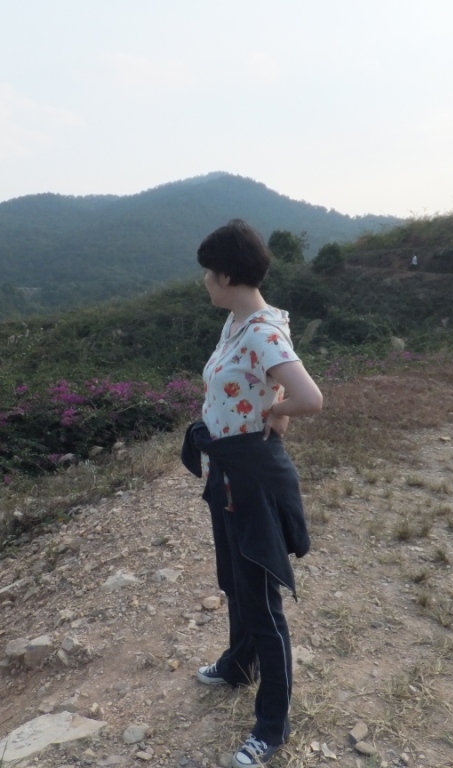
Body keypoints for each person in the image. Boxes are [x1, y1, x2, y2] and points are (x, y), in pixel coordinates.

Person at [180, 219, 323, 768]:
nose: (204, 282)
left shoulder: (262, 330)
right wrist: (269, 401)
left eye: (207, 273)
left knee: (262, 600)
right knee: (235, 581)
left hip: (253, 476)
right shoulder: (237, 322)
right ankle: (239, 665)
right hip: (228, 469)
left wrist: (276, 410)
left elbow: (311, 398)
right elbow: (256, 382)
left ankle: (272, 725)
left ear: (225, 275)